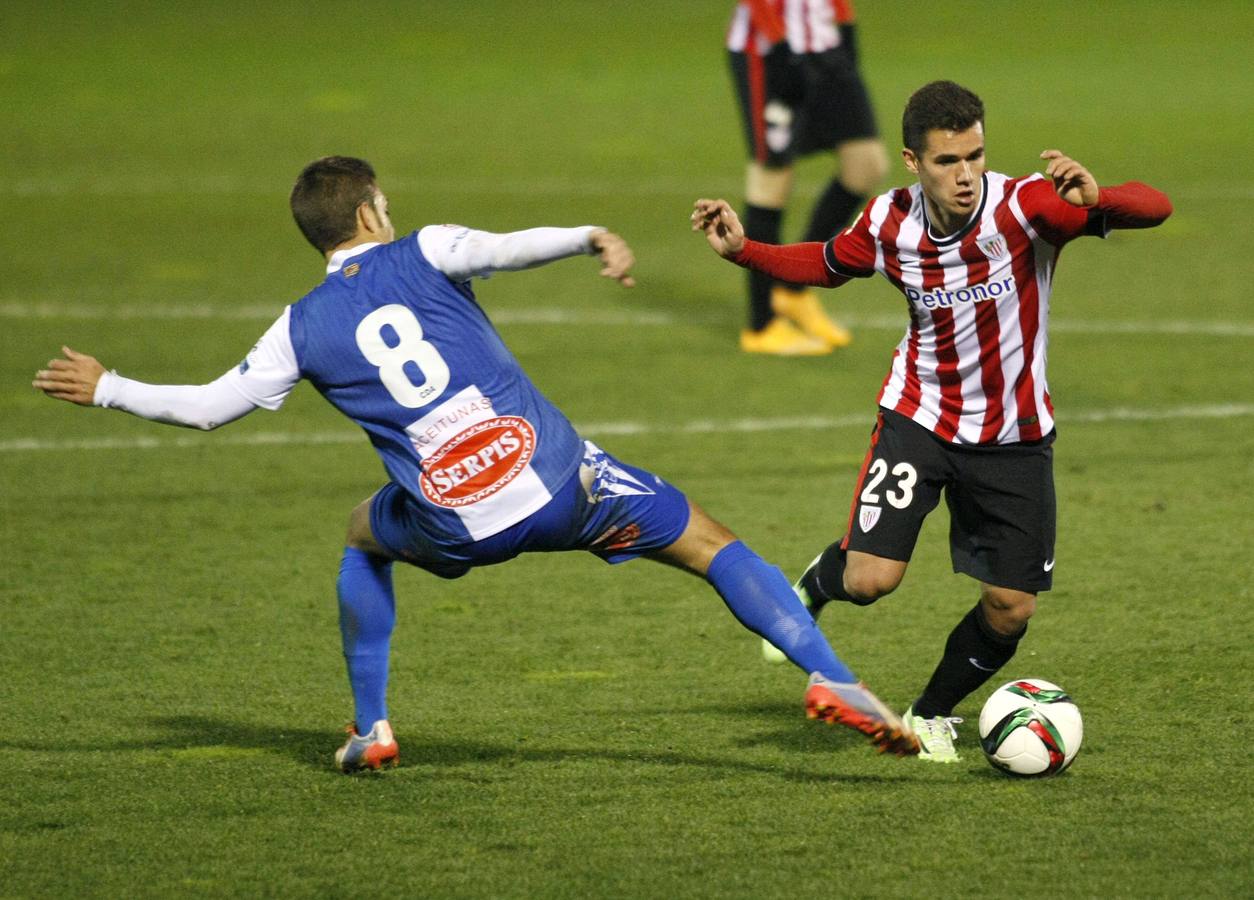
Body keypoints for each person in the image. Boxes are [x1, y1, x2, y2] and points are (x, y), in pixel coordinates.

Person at [35, 156, 920, 772]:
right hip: (563, 487)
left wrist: (110, 385)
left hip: (453, 521)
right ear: (373, 210)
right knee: (708, 543)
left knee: (362, 537)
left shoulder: (298, 326)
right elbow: (502, 248)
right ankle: (831, 675)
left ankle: (371, 726)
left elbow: (205, 408)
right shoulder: (422, 248)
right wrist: (586, 236)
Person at [692, 81, 1172, 761]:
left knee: (1012, 608)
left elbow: (1157, 208)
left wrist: (1100, 200)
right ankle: (816, 583)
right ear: (913, 161)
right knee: (869, 581)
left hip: (1014, 438)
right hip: (920, 417)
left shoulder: (1028, 205)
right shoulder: (889, 221)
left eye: (975, 155)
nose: (967, 175)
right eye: (948, 161)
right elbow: (827, 264)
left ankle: (928, 713)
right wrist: (745, 250)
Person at [726, 0, 888, 355]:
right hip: (770, 53)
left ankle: (791, 289)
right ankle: (762, 324)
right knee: (773, 177)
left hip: (826, 46)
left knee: (866, 163)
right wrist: (781, 45)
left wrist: (846, 28)